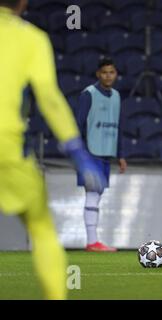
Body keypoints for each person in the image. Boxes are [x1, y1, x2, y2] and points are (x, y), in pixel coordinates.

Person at [0, 0, 106, 299]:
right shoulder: (31, 38)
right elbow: (49, 99)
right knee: (41, 227)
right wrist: (78, 152)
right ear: (23, 3)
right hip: (7, 147)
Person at [76, 58, 127, 252]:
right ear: (98, 74)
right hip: (90, 152)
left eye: (111, 72)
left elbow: (119, 127)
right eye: (104, 72)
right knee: (92, 193)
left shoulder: (116, 96)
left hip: (106, 153)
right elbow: (79, 123)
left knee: (97, 195)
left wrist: (121, 155)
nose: (108, 76)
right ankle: (92, 241)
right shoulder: (88, 94)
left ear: (116, 74)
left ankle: (93, 241)